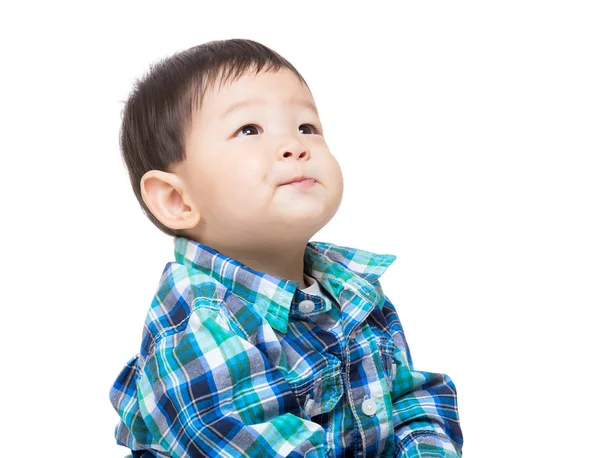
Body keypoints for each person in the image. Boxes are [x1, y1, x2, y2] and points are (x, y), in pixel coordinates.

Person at [109, 38, 463, 458]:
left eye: (306, 127)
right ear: (176, 200)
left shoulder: (354, 291)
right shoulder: (199, 324)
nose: (295, 146)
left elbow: (411, 401)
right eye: (249, 130)